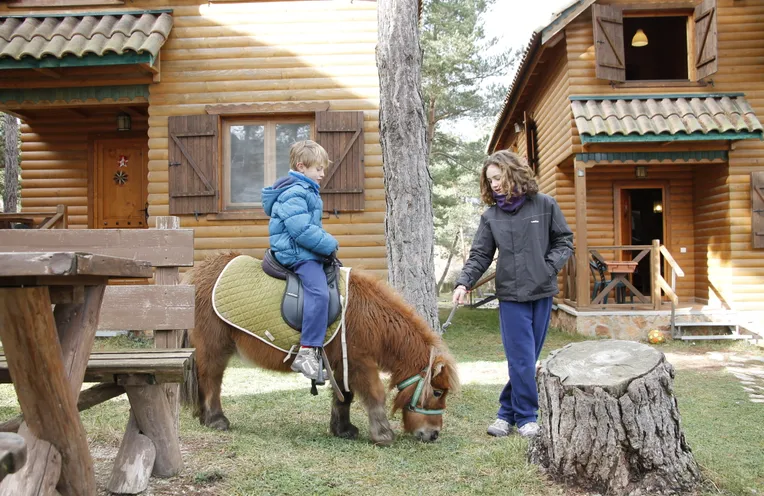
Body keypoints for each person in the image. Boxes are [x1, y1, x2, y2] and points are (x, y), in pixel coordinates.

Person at [453, 150, 573, 438]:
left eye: (498, 177)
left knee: (526, 358)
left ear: (513, 173)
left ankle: (505, 414)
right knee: (520, 359)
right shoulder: (491, 216)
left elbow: (565, 241)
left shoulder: (544, 205)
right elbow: (480, 255)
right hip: (511, 297)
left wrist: (547, 268)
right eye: (489, 179)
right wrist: (463, 283)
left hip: (542, 292)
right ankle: (527, 417)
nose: (494, 184)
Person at [262, 140, 339, 381]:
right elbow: (301, 230)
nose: (322, 174)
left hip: (303, 249)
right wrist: (329, 244)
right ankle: (306, 353)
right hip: (295, 253)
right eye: (318, 169)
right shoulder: (294, 193)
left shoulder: (306, 191)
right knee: (319, 292)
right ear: (301, 166)